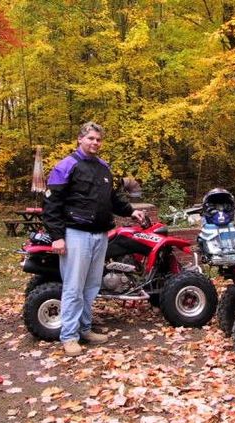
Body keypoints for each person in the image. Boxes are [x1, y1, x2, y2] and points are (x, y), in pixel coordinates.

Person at [43, 122, 145, 356]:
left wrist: (131, 211)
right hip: (75, 235)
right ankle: (69, 336)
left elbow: (113, 199)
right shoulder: (66, 165)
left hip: (101, 235)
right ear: (80, 139)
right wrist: (57, 237)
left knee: (91, 287)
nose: (95, 143)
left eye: (98, 139)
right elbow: (51, 204)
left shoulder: (103, 168)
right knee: (73, 287)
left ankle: (85, 329)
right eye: (90, 138)